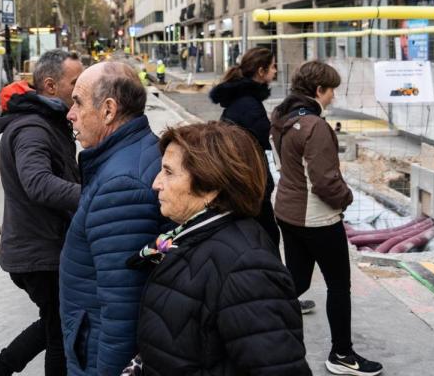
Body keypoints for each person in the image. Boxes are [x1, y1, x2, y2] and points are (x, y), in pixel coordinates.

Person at [126, 122, 312, 375]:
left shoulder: (248, 269)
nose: (156, 183)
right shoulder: (188, 237)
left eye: (168, 172)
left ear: (211, 186)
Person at [0, 50, 84, 376]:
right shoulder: (33, 129)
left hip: (41, 247)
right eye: (76, 82)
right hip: (40, 253)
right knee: (59, 331)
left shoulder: (49, 122)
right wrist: (93, 196)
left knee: (55, 321)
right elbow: (39, 184)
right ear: (51, 86)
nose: (82, 88)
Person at [271, 61, 383, 376]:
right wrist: (346, 198)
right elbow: (324, 182)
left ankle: (259, 318)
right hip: (318, 218)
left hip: (287, 211)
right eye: (332, 90)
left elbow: (283, 165)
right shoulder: (315, 126)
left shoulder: (280, 116)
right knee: (338, 285)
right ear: (319, 90)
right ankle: (342, 354)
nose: (334, 96)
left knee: (298, 278)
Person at [61, 61, 165, 376]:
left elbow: (122, 310)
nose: (70, 114)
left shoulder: (120, 185)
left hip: (96, 351)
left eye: (78, 103)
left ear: (108, 110)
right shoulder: (132, 154)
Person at [209, 47, 317, 317]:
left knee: (256, 238)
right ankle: (278, 298)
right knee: (267, 238)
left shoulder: (241, 99)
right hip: (249, 182)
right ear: (260, 71)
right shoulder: (248, 103)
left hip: (242, 179)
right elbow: (266, 138)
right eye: (272, 66)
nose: (276, 70)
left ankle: (268, 295)